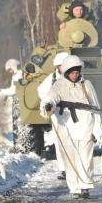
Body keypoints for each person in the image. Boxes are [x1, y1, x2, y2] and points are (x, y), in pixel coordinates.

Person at [40, 55, 102, 199]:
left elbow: (96, 107)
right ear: (67, 72)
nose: (75, 75)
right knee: (70, 159)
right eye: (72, 72)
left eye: (77, 72)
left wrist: (98, 129)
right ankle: (75, 187)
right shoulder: (59, 85)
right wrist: (48, 105)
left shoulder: (87, 85)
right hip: (67, 126)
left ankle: (85, 186)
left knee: (86, 158)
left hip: (86, 124)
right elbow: (50, 97)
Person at [37, 52, 69, 180]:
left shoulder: (76, 76)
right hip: (58, 114)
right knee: (59, 141)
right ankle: (63, 169)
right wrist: (49, 103)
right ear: (58, 66)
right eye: (63, 64)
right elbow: (42, 91)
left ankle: (75, 168)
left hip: (74, 114)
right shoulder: (52, 78)